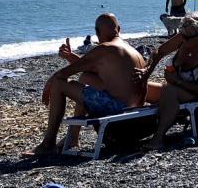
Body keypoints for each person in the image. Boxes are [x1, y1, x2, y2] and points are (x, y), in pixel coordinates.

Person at [32, 13, 146, 155]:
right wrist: (70, 57)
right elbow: (92, 67)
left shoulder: (105, 48)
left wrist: (49, 86)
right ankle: (73, 137)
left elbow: (62, 75)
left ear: (97, 32)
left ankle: (48, 144)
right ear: (119, 29)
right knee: (86, 78)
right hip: (134, 115)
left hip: (118, 114)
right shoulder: (131, 50)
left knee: (59, 84)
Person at [139, 13, 198, 150]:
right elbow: (159, 52)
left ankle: (158, 138)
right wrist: (146, 71)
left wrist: (176, 81)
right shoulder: (183, 37)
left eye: (187, 37)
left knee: (169, 90)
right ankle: (124, 127)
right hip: (175, 88)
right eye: (182, 34)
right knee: (141, 86)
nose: (183, 38)